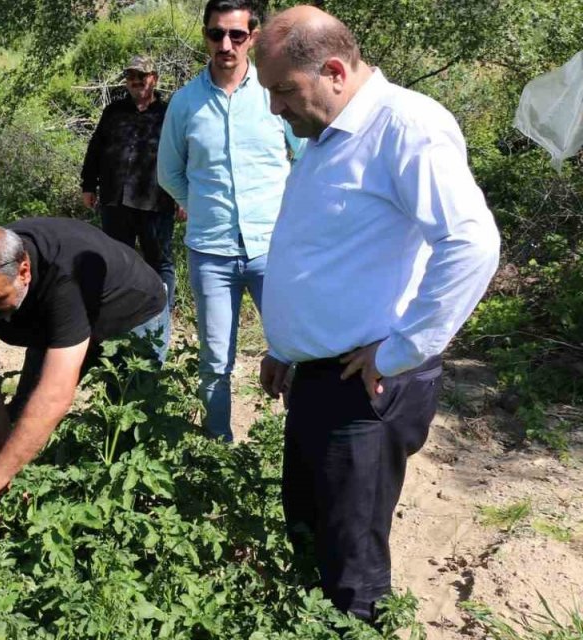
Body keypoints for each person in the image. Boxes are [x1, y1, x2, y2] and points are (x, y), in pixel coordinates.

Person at [254, 6, 500, 623]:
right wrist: (288, 346)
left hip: (367, 385)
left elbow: (470, 244)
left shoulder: (404, 127)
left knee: (352, 570)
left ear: (334, 70)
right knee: (311, 534)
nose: (275, 109)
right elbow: (329, 249)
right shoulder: (328, 130)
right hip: (321, 378)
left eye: (283, 91)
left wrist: (399, 350)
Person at [157, 0, 302, 442]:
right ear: (205, 35)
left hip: (272, 249)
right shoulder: (185, 103)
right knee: (216, 359)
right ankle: (217, 448)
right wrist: (202, 206)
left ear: (253, 36)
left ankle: (305, 443)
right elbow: (169, 173)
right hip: (211, 253)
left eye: (236, 35)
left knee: (299, 350)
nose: (226, 44)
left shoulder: (274, 92)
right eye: (216, 34)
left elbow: (304, 156)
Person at [0, 219, 168, 499]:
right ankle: (23, 490)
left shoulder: (64, 277)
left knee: (128, 429)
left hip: (131, 314)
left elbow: (55, 395)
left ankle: (124, 509)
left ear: (24, 271)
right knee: (23, 413)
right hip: (52, 321)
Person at [81, 54, 179, 352]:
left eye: (143, 75)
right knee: (115, 260)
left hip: (156, 200)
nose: (137, 81)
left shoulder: (169, 112)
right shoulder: (114, 111)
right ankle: (116, 318)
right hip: (115, 200)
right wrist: (88, 184)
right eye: (132, 76)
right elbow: (96, 147)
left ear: (154, 79)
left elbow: (182, 154)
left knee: (159, 262)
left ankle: (162, 318)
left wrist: (182, 196)